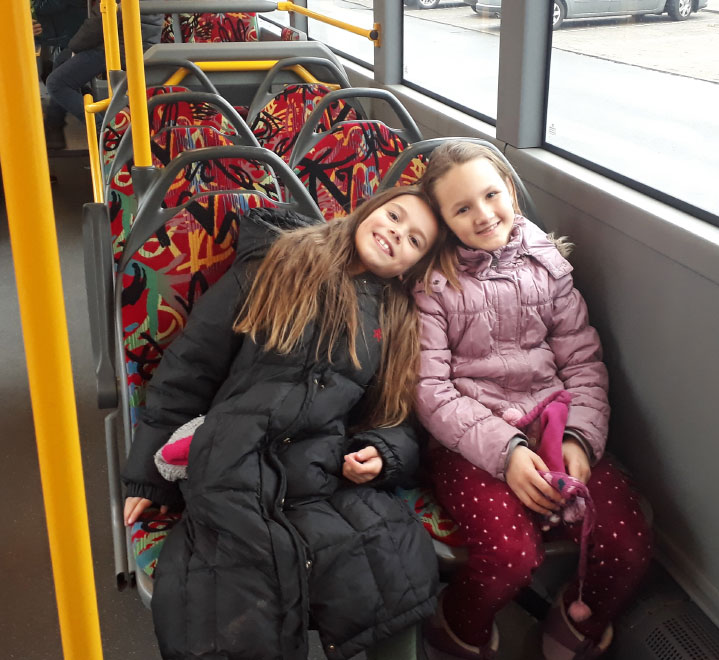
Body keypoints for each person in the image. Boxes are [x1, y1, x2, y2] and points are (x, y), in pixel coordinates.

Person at [121, 187, 454, 660]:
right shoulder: (277, 263)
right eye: (395, 216)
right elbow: (190, 367)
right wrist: (149, 477)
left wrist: (383, 453)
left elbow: (395, 416)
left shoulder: (395, 318)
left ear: (413, 267)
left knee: (394, 560)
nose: (397, 234)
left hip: (321, 468)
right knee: (233, 585)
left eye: (415, 240)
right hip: (233, 452)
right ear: (369, 209)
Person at [414, 142, 653, 660]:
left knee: (628, 545)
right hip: (469, 440)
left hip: (554, 421)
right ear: (443, 221)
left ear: (510, 191)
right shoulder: (433, 286)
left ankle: (577, 617)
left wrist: (579, 439)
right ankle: (458, 626)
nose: (483, 215)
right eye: (462, 208)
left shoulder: (549, 265)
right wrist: (507, 452)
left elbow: (583, 362)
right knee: (509, 557)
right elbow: (431, 390)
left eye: (491, 195)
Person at [43, 0, 161, 149]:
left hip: (122, 48)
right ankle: (54, 125)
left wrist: (75, 47)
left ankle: (105, 133)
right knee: (62, 60)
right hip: (134, 42)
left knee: (56, 83)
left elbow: (97, 24)